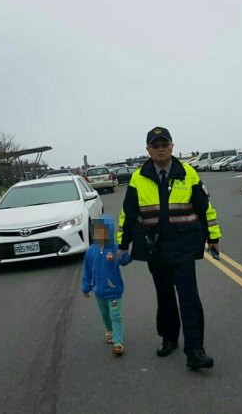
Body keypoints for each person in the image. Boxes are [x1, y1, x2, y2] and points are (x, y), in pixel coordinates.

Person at [117, 126, 222, 370]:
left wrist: (213, 237)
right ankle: (169, 338)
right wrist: (123, 244)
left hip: (184, 245)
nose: (161, 149)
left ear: (172, 146)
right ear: (148, 150)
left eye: (165, 144)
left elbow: (205, 209)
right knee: (164, 297)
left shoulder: (188, 173)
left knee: (189, 298)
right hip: (155, 248)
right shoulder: (138, 177)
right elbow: (128, 214)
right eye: (156, 145)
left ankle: (195, 349)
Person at [81, 215, 131, 356]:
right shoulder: (91, 251)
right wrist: (86, 287)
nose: (99, 234)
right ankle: (109, 331)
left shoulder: (115, 248)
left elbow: (125, 260)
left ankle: (118, 342)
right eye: (96, 231)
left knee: (115, 315)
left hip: (113, 290)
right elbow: (87, 271)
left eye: (103, 231)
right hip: (99, 291)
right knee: (105, 315)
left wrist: (122, 256)